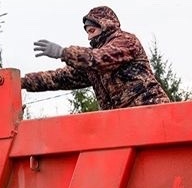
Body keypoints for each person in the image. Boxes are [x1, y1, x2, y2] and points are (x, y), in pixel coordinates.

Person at [22, 6, 170, 110]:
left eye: (92, 30)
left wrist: (63, 52)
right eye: (87, 32)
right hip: (123, 122)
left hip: (152, 111)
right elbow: (60, 77)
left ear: (105, 25)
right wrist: (21, 82)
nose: (89, 36)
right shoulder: (91, 65)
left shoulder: (126, 41)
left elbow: (100, 58)